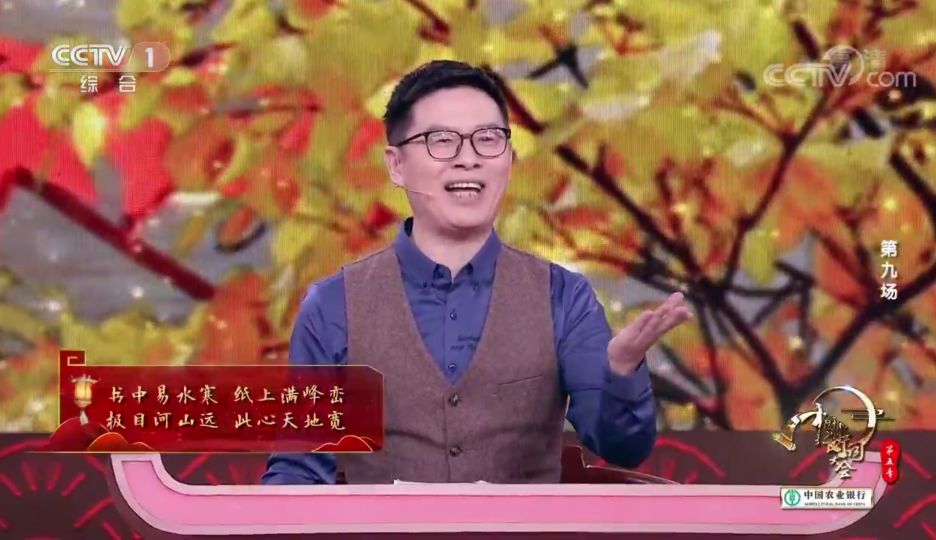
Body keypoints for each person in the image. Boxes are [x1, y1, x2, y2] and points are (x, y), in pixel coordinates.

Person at [262, 60, 693, 485]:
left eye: (487, 139)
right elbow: (299, 471)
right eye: (441, 141)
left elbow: (622, 447)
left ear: (509, 158)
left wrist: (621, 369)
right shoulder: (333, 305)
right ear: (396, 165)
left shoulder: (563, 296)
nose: (468, 159)